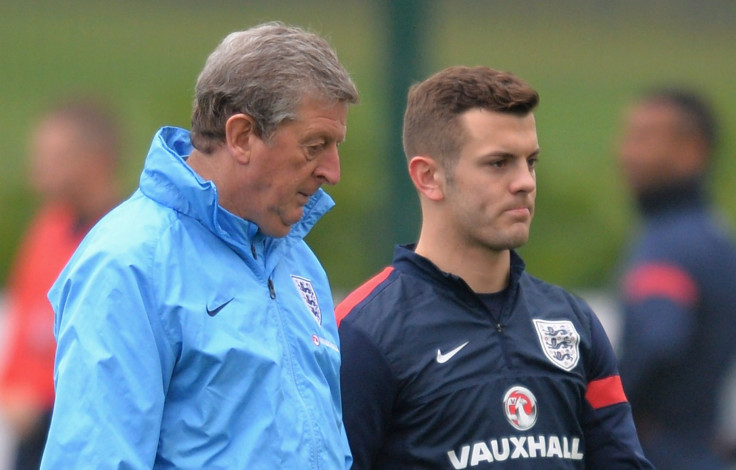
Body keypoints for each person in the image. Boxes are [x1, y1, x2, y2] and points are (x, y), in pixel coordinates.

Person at [39, 22, 359, 469]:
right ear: (242, 136)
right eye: (315, 145)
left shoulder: (296, 259)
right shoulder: (129, 263)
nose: (332, 170)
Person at [336, 66, 653, 469]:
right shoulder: (363, 334)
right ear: (428, 177)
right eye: (499, 163)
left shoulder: (572, 324)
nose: (525, 182)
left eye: (531, 161)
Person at [615, 88, 736, 469]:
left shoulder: (669, 247)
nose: (626, 153)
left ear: (692, 150)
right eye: (628, 137)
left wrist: (601, 417)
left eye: (644, 138)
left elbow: (658, 340)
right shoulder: (715, 237)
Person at [0, 99, 122, 470]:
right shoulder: (47, 229)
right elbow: (21, 326)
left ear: (95, 160)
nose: (38, 167)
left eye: (54, 155)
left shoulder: (121, 242)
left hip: (80, 434)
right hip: (25, 429)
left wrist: (43, 409)